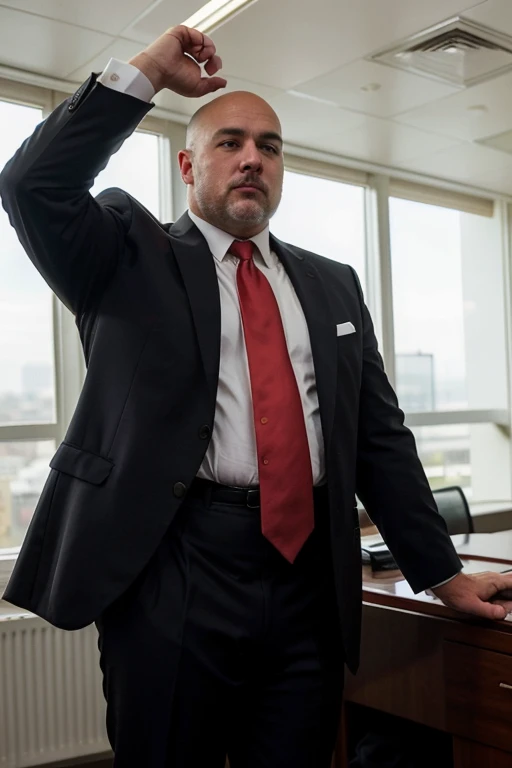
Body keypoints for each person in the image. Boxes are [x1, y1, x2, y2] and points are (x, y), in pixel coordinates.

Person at [1, 24, 512, 768]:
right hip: (175, 571)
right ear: (188, 165)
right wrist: (146, 72)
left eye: (269, 147)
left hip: (309, 579)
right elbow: (32, 184)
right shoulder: (125, 254)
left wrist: (441, 573)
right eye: (230, 142)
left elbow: (378, 439)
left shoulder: (331, 282)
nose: (252, 159)